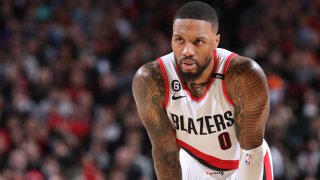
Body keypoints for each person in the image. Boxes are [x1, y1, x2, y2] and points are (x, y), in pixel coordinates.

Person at [132, 1, 273, 180]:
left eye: (198, 41)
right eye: (179, 40)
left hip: (243, 164)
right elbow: (164, 152)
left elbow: (251, 151)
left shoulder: (244, 75)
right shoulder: (151, 79)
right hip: (194, 163)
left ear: (215, 42)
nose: (187, 51)